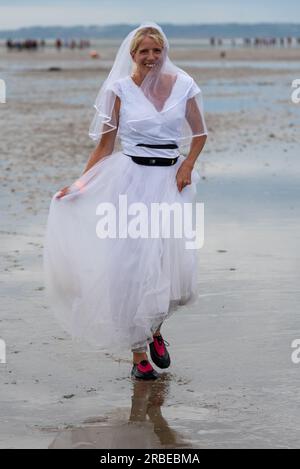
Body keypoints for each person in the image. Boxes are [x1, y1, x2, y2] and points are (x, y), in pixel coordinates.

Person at [43, 22, 208, 381]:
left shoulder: (184, 85)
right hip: (130, 183)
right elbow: (104, 146)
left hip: (171, 183)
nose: (151, 57)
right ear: (132, 55)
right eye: (143, 51)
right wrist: (78, 185)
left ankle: (155, 328)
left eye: (156, 50)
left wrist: (189, 165)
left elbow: (199, 133)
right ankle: (138, 357)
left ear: (164, 52)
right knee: (130, 268)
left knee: (170, 266)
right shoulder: (119, 90)